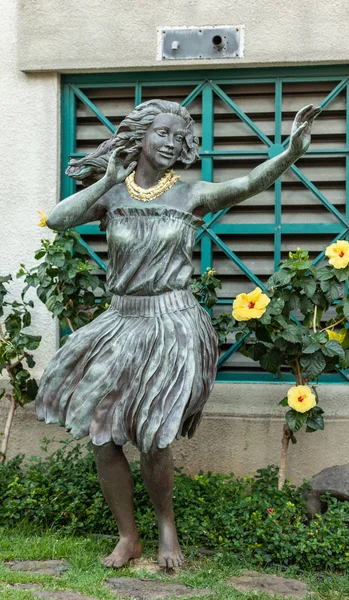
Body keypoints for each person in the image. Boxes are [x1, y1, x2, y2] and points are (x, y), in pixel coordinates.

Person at [36, 99, 320, 569]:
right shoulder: (112, 195)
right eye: (163, 133)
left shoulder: (190, 195)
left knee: (153, 437)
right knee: (103, 436)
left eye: (179, 137)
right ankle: (128, 537)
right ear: (141, 138)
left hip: (172, 325)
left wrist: (291, 151)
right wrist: (106, 180)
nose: (172, 143)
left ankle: (167, 529)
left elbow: (249, 183)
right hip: (121, 323)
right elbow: (58, 220)